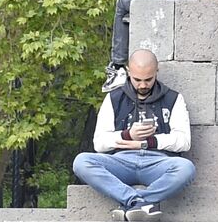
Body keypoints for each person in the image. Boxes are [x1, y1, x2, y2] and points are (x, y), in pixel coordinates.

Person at [72, 49, 195, 220]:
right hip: (121, 161)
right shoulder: (114, 98)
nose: (143, 85)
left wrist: (148, 142)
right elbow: (99, 143)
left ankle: (132, 204)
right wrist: (128, 135)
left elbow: (184, 141)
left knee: (186, 168)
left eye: (148, 79)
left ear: (156, 71)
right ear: (129, 72)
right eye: (137, 80)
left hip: (158, 161)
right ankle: (137, 202)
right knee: (81, 162)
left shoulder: (174, 98)